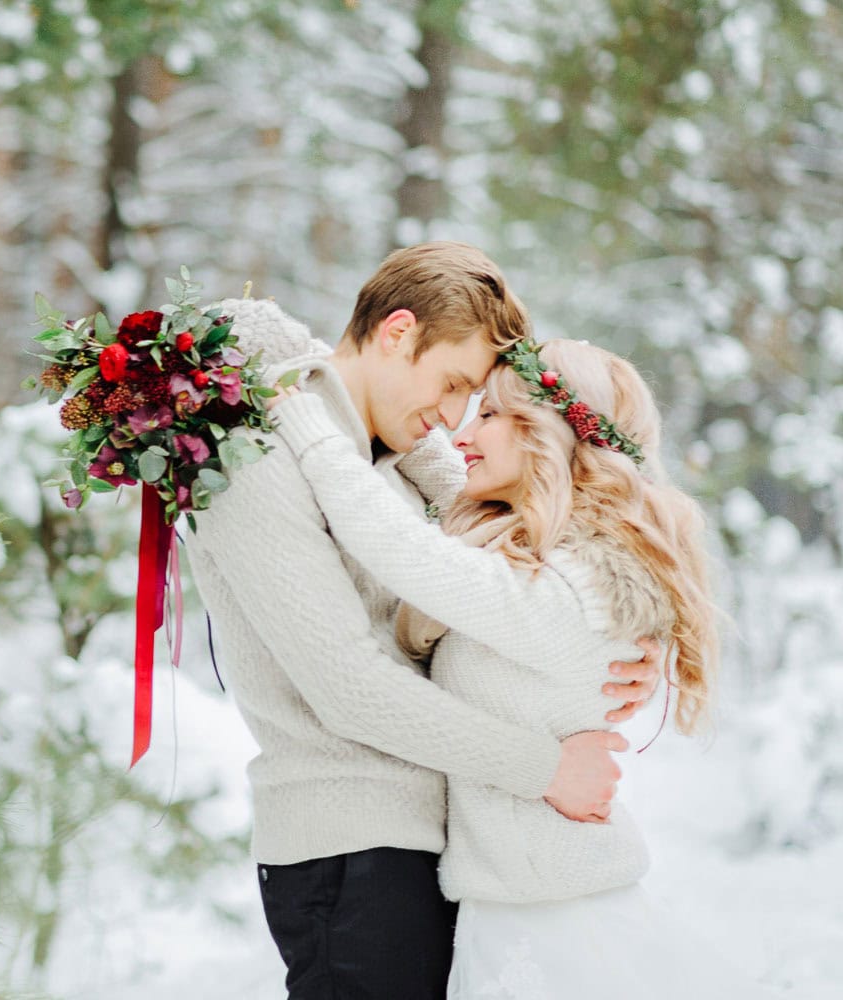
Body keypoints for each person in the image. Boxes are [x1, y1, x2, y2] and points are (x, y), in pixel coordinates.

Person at [186, 243, 661, 999]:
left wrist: (615, 650)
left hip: (427, 844)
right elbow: (349, 688)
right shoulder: (261, 456)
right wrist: (547, 771)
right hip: (349, 847)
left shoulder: (387, 455)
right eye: (453, 385)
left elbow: (523, 563)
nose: (453, 418)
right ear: (397, 332)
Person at [267, 335, 775, 998]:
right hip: (515, 909)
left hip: (555, 926)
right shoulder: (547, 561)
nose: (461, 431)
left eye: (489, 414)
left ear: (548, 433)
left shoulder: (577, 588)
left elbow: (400, 550)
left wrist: (304, 421)